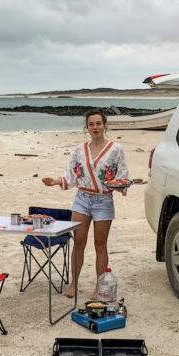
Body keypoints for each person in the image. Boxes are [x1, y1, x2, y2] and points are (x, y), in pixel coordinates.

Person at [42, 109, 129, 299]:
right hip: (82, 198)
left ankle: (99, 286)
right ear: (87, 128)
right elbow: (71, 175)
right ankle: (74, 282)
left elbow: (122, 174)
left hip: (103, 201)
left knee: (100, 245)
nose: (95, 127)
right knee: (79, 242)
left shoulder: (116, 149)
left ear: (104, 125)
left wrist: (122, 186)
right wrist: (56, 181)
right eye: (91, 124)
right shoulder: (79, 150)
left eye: (98, 123)